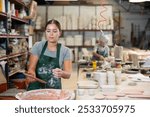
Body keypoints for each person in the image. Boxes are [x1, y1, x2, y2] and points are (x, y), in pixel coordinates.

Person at [26, 19, 72, 90]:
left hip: (54, 91)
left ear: (59, 33)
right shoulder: (38, 46)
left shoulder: (65, 51)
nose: (51, 34)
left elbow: (68, 74)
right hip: (36, 89)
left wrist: (62, 73)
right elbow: (31, 68)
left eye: (54, 31)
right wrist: (31, 74)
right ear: (45, 32)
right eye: (48, 31)